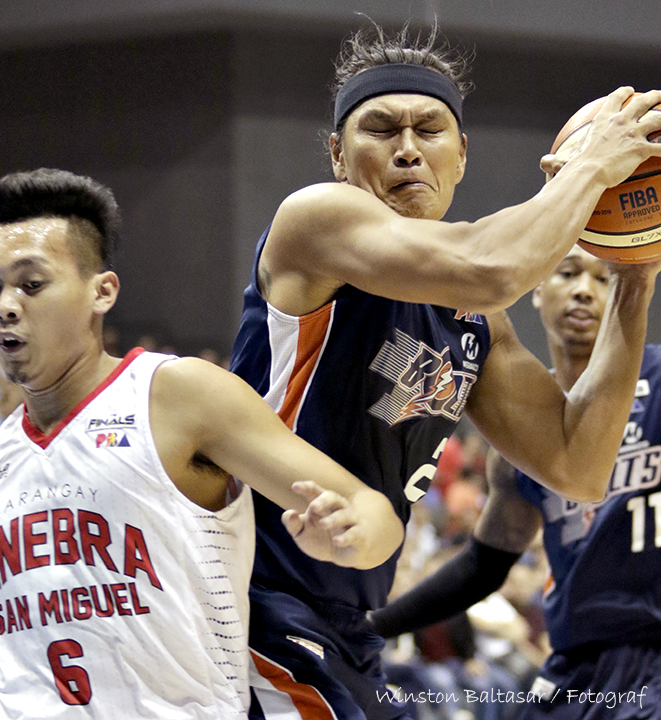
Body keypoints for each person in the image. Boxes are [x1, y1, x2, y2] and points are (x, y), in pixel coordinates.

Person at [0, 168, 404, 720]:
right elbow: (7, 626)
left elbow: (373, 513)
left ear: (102, 291)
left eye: (31, 284)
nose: (5, 306)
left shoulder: (176, 394)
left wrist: (349, 535)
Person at [229, 21, 661, 720]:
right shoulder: (316, 220)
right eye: (380, 130)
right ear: (338, 154)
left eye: (428, 131)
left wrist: (635, 279)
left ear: (460, 156)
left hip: (344, 627)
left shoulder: (473, 321)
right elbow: (489, 266)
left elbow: (578, 464)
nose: (405, 150)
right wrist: (591, 169)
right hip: (249, 605)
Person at [370, 241, 661, 718]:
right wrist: (374, 624)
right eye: (568, 274)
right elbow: (483, 566)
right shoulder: (528, 432)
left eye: (603, 278)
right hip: (577, 665)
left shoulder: (660, 377)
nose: (585, 291)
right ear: (539, 290)